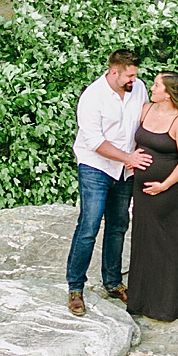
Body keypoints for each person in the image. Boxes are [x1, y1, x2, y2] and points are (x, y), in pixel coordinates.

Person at [66, 48, 150, 316]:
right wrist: (128, 157)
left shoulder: (139, 89)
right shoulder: (92, 97)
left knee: (118, 225)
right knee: (89, 224)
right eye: (129, 75)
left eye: (135, 75)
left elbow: (145, 124)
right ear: (114, 72)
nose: (133, 80)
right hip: (96, 166)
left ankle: (113, 282)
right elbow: (94, 142)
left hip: (126, 169)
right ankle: (75, 288)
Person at [125, 70, 178, 322]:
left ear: (168, 94)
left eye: (156, 86)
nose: (151, 89)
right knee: (144, 239)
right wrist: (132, 160)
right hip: (142, 190)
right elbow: (138, 142)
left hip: (167, 193)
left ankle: (170, 302)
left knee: (167, 243)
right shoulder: (146, 110)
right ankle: (143, 299)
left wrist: (163, 185)